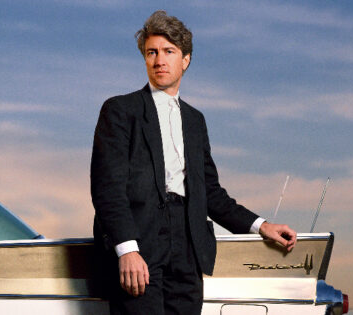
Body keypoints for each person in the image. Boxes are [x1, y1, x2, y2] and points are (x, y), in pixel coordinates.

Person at [90, 10, 296, 315]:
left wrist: (260, 225)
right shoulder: (120, 110)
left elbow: (210, 192)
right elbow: (108, 189)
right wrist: (127, 249)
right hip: (141, 242)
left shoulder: (195, 121)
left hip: (188, 244)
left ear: (185, 59)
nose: (159, 60)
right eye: (152, 52)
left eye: (168, 52)